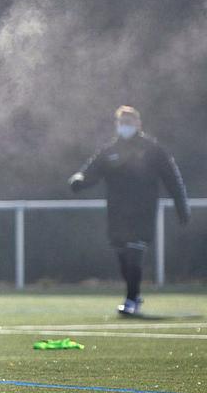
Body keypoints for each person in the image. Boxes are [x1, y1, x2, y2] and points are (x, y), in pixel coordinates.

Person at [69, 106, 190, 315]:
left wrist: (181, 205)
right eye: (122, 122)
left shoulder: (152, 149)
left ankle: (132, 299)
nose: (126, 126)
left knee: (134, 253)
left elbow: (172, 178)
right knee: (124, 258)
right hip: (117, 213)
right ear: (117, 124)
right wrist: (79, 181)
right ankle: (132, 295)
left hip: (143, 212)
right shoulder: (110, 151)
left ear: (138, 124)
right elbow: (91, 172)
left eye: (130, 122)